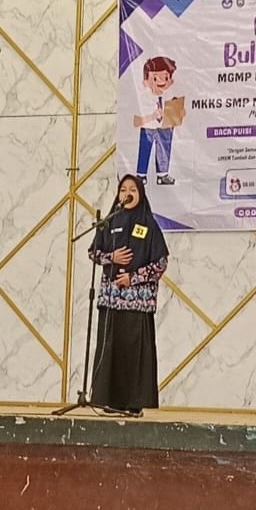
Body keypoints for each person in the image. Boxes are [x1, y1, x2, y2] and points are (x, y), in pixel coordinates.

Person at [87, 174, 169, 416]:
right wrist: (111, 257)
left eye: (133, 189)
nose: (127, 193)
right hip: (112, 300)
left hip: (137, 302)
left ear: (141, 194)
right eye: (123, 189)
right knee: (110, 350)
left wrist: (132, 278)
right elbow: (93, 252)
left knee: (133, 354)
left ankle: (133, 404)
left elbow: (161, 264)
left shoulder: (149, 225)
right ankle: (109, 401)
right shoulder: (110, 221)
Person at [133, 56, 183, 186]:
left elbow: (178, 113)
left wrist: (178, 113)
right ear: (146, 81)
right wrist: (153, 115)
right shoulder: (143, 98)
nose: (161, 82)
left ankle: (162, 175)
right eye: (155, 78)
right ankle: (141, 175)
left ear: (171, 80)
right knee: (145, 149)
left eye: (166, 78)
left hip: (165, 127)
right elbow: (137, 121)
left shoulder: (169, 96)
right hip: (148, 127)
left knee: (164, 149)